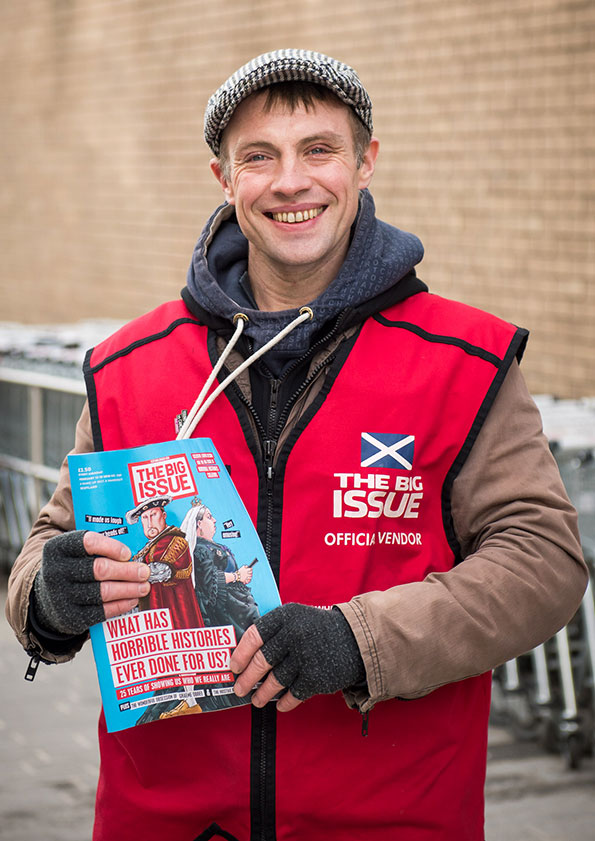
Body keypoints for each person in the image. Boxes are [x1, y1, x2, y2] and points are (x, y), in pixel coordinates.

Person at [6, 49, 587, 841]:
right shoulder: (127, 366)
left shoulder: (465, 362)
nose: (290, 181)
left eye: (318, 149)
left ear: (364, 162)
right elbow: (46, 546)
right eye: (258, 157)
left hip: (391, 820)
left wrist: (359, 640)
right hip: (167, 822)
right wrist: (49, 594)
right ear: (223, 178)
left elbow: (543, 560)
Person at [180, 499, 260, 637]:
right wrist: (237, 576)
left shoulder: (211, 546)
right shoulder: (200, 549)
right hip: (225, 614)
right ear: (199, 524)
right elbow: (208, 580)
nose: (215, 520)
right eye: (209, 517)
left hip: (236, 607)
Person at [126, 495, 204, 630]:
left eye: (153, 515)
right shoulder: (147, 548)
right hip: (154, 620)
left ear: (164, 515)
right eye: (145, 518)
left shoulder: (175, 541)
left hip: (176, 620)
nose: (149, 523)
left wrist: (122, 573)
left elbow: (158, 571)